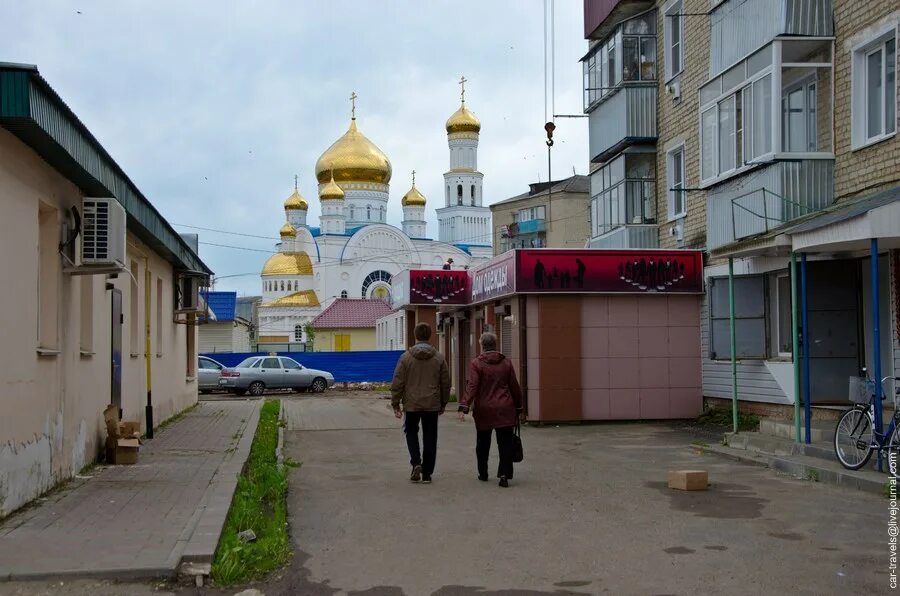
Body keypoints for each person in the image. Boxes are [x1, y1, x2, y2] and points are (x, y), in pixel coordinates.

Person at [458, 332, 525, 488]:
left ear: (482, 345)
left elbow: (472, 386)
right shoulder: (506, 363)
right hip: (505, 408)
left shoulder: (477, 363)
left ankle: (483, 472)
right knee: (505, 443)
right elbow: (515, 387)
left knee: (483, 442)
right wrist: (519, 407)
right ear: (496, 344)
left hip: (484, 409)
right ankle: (504, 475)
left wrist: (464, 405)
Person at [391, 323, 451, 484]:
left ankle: (416, 462)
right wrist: (444, 402)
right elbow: (445, 382)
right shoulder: (439, 358)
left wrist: (395, 403)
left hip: (411, 404)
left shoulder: (405, 358)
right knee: (430, 436)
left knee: (411, 432)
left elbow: (398, 382)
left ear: (415, 335)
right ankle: (427, 473)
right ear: (430, 335)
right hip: (432, 404)